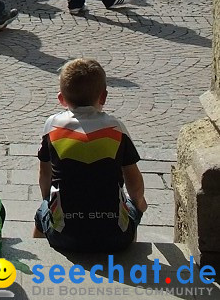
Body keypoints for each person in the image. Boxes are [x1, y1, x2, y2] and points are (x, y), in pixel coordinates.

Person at [34, 58, 146, 253]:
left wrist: (47, 198)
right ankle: (130, 254)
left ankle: (37, 252)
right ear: (103, 97)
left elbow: (45, 174)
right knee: (132, 210)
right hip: (114, 237)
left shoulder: (52, 127)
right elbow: (133, 179)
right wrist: (139, 202)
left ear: (61, 99)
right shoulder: (116, 129)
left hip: (64, 236)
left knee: (41, 213)